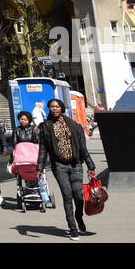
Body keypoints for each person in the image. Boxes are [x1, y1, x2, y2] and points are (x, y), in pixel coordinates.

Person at [36, 98, 98, 240]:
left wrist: (90, 166)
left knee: (79, 196)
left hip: (76, 164)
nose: (55, 109)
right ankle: (72, 228)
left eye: (57, 106)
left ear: (62, 108)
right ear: (49, 109)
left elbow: (83, 148)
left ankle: (78, 216)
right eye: (52, 107)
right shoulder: (45, 126)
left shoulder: (74, 125)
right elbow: (43, 150)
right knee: (67, 195)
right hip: (59, 166)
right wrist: (39, 167)